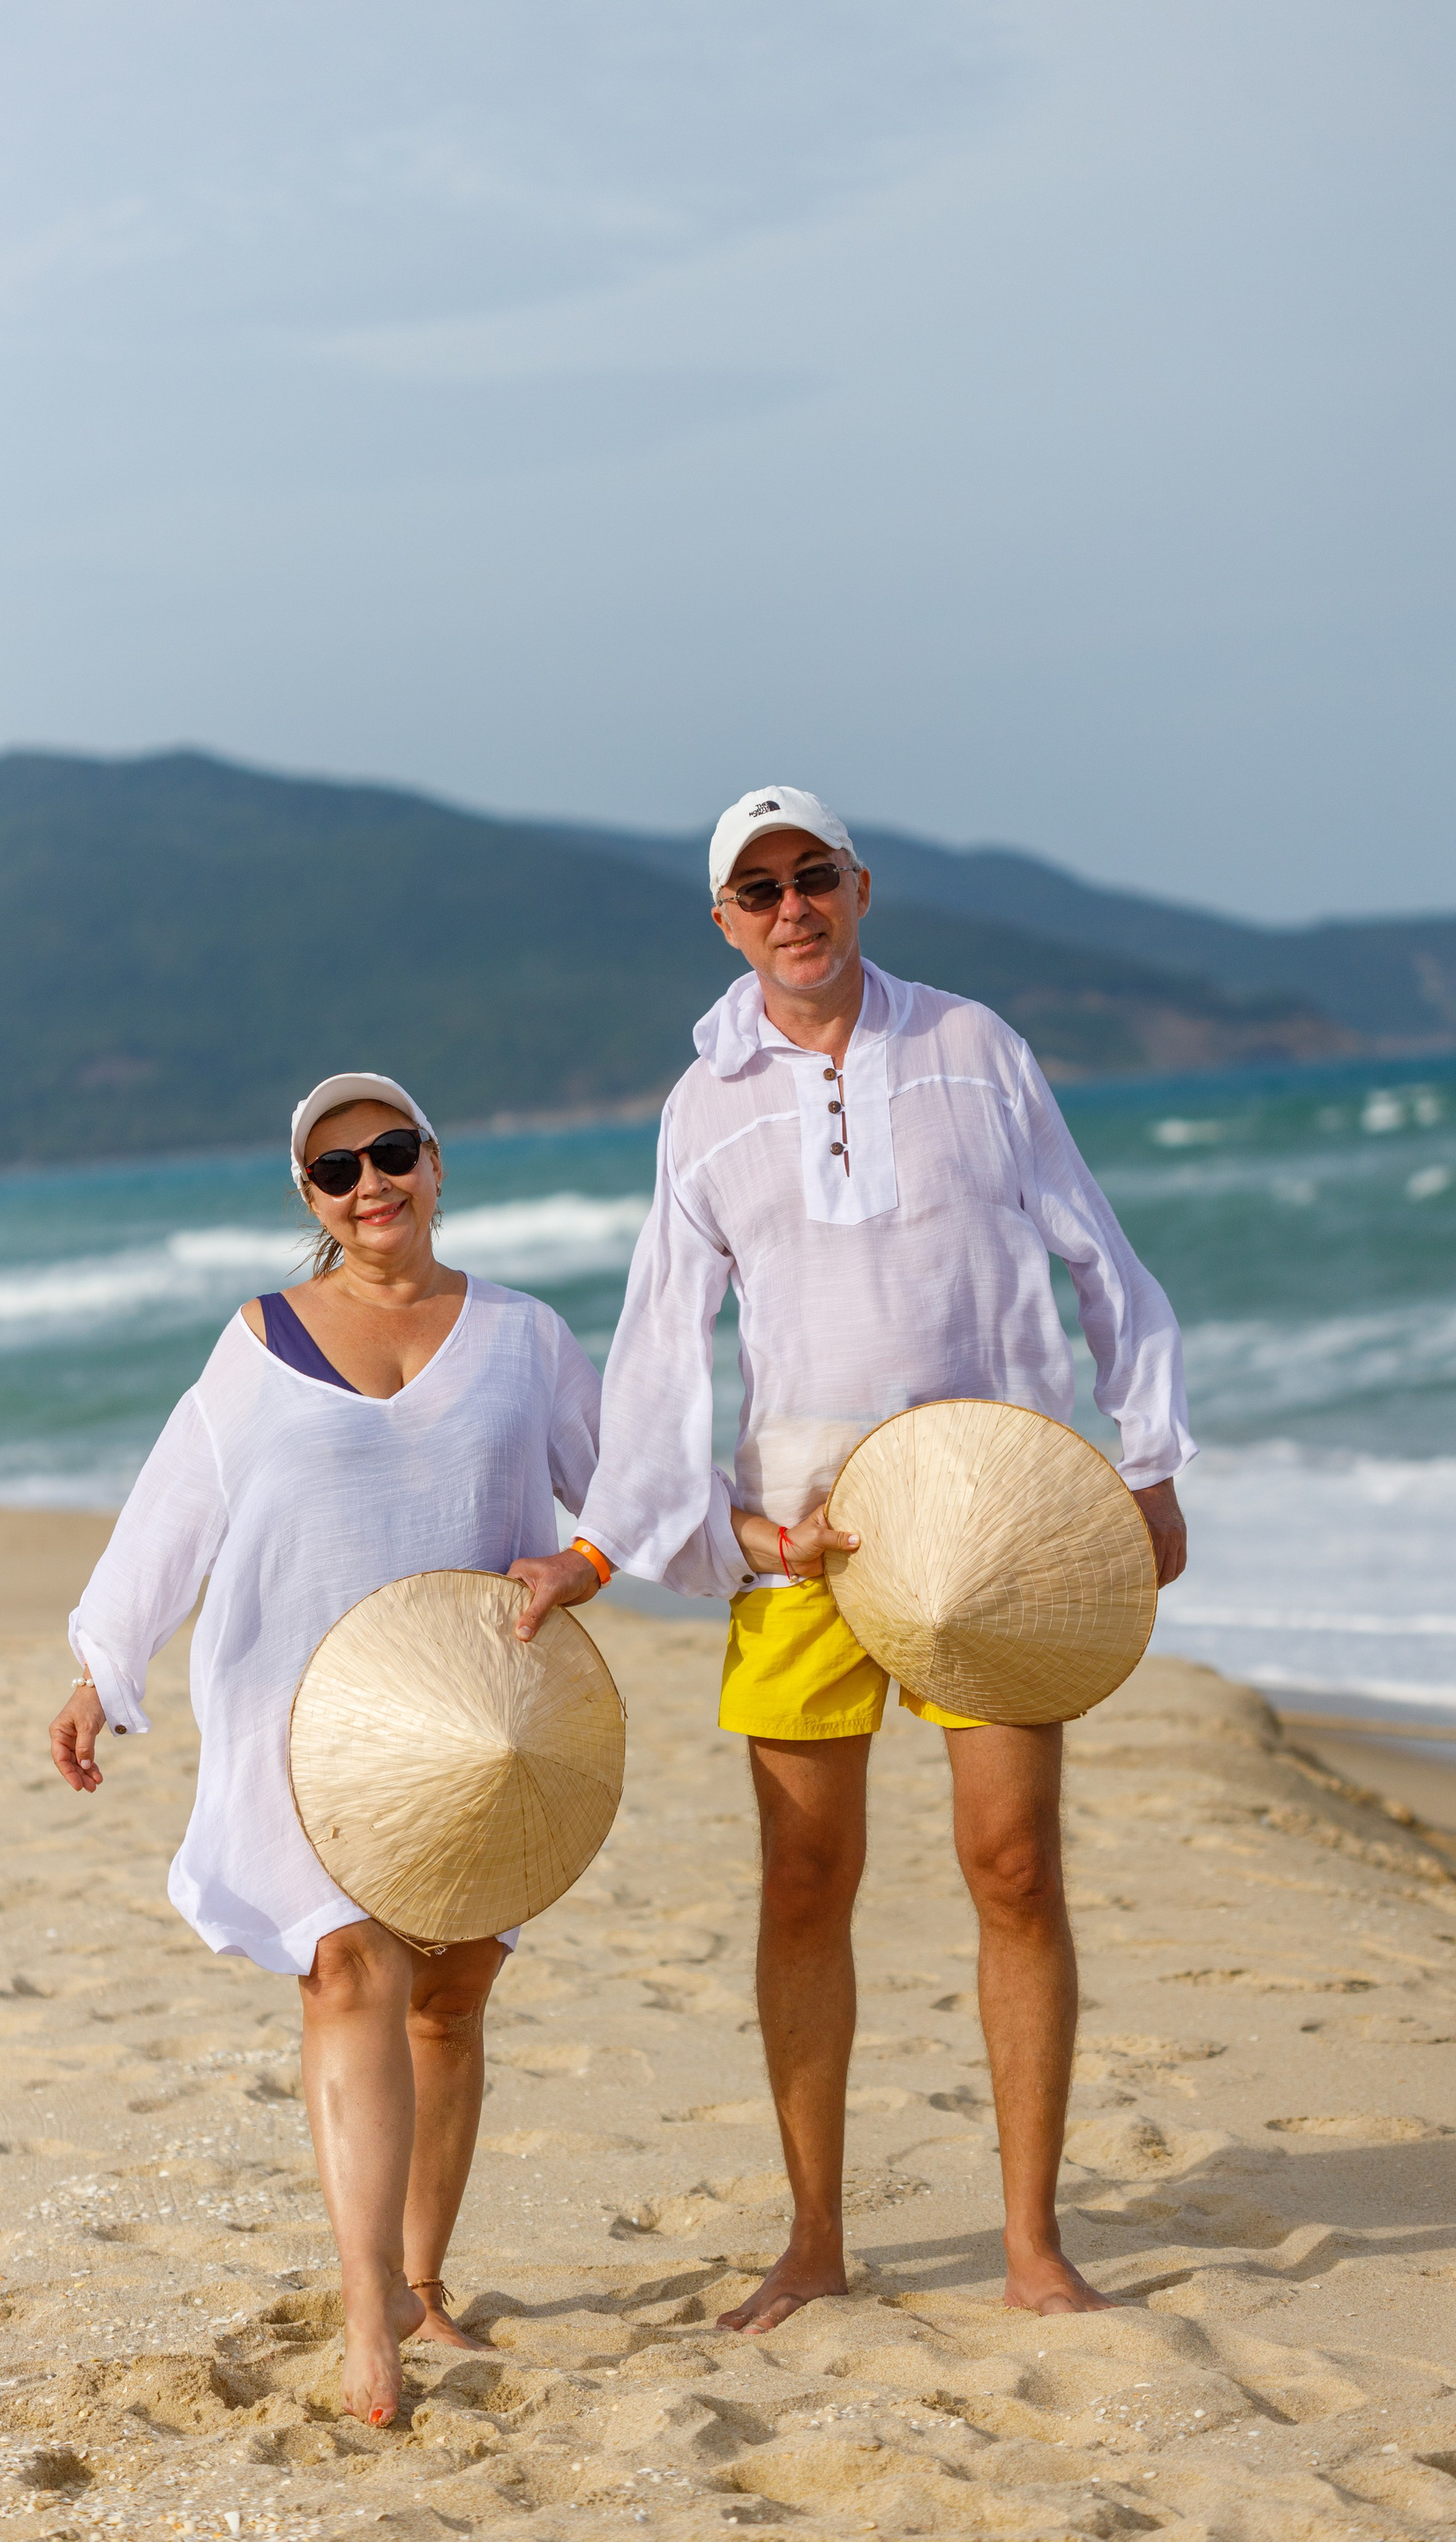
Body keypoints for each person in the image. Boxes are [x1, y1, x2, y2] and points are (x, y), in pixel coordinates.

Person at [518, 786, 1193, 2326]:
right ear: (724, 923)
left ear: (860, 886)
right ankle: (815, 2241)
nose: (791, 908)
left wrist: (1150, 1461)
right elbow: (659, 1351)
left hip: (998, 1523)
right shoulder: (703, 1106)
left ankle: (1032, 2245)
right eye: (757, 891)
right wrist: (654, 1539)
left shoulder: (975, 1045)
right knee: (804, 1878)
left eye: (811, 875)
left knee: (1014, 1865)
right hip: (809, 1545)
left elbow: (1101, 1254)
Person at [49, 1072, 603, 2425]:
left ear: (435, 1162)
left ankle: (420, 2284)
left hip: (471, 1724)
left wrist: (585, 1566)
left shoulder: (523, 1336)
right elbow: (175, 1507)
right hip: (298, 1714)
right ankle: (368, 2315)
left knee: (451, 1996)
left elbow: (630, 1489)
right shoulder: (262, 1338)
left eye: (391, 1152)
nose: (371, 1185)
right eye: (338, 1170)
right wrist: (102, 1669)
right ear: (311, 1197)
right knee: (349, 1968)